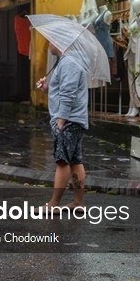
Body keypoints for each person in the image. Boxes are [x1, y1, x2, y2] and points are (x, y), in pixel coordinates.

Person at [37, 40, 88, 209]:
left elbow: (68, 94)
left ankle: (53, 203)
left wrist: (60, 121)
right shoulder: (66, 61)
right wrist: (47, 89)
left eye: (50, 40)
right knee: (75, 161)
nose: (49, 44)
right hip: (73, 120)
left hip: (68, 121)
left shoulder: (69, 62)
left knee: (62, 161)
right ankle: (78, 202)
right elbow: (63, 91)